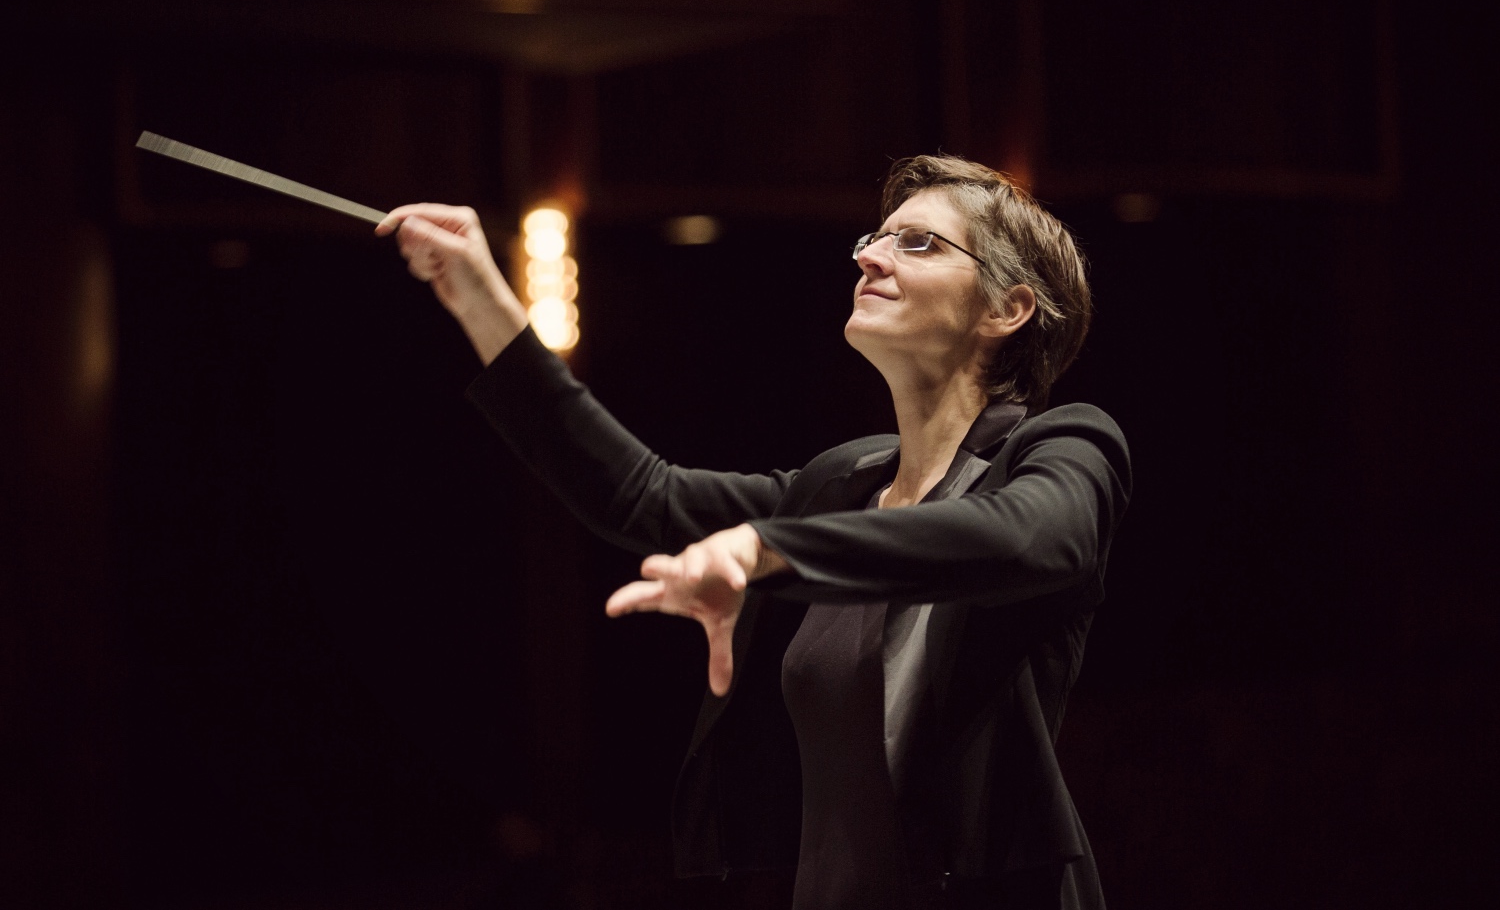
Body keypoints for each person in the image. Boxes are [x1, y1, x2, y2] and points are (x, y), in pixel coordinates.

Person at [375, 155, 1131, 910]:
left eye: (919, 243)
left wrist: (768, 548)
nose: (868, 254)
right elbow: (643, 494)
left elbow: (1025, 537)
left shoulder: (1065, 445)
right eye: (876, 237)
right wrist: (480, 301)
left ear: (1008, 309)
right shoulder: (841, 485)